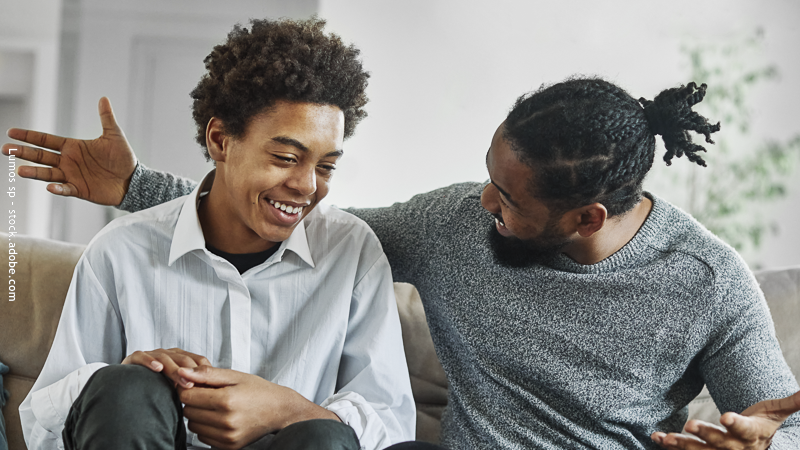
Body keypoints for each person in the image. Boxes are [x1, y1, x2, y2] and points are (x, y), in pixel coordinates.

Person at [6, 77, 800, 449]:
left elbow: (774, 421)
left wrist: (760, 448)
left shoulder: (708, 282)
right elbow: (301, 217)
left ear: (584, 218)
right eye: (488, 174)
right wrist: (138, 188)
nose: (482, 203)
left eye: (508, 199)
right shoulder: (457, 223)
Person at [11, 17, 415, 450]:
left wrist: (284, 407)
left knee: (321, 435)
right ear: (220, 140)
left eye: (326, 166)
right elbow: (44, 426)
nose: (307, 186)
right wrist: (123, 375)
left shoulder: (351, 250)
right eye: (284, 157)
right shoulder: (120, 250)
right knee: (126, 390)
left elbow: (389, 425)